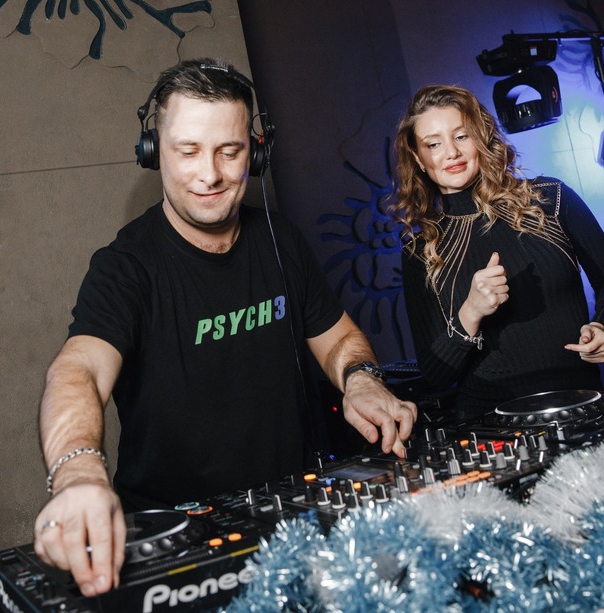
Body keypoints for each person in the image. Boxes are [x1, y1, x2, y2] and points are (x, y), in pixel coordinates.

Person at [32, 58, 417, 597]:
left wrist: (361, 379)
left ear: (255, 153)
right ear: (153, 151)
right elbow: (80, 371)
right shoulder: (125, 267)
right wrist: (77, 474)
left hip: (291, 517)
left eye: (228, 151)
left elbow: (339, 340)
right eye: (187, 151)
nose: (209, 174)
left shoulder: (281, 241)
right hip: (175, 539)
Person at [391, 85, 604, 418]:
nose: (452, 152)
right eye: (434, 144)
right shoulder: (420, 250)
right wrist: (471, 312)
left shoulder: (549, 199)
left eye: (461, 136)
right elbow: (435, 374)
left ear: (480, 137)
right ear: (419, 158)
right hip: (492, 424)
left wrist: (603, 327)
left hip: (580, 403)